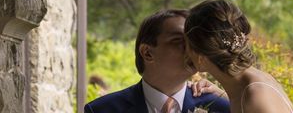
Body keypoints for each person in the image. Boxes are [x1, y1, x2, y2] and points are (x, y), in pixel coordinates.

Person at [85, 9, 230, 113]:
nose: (192, 49)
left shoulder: (221, 107)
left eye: (194, 41)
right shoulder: (101, 109)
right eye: (179, 41)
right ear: (147, 53)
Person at [185, 0, 293, 113]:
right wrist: (220, 94)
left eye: (186, 44)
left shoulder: (257, 97)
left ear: (200, 58)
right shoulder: (250, 86)